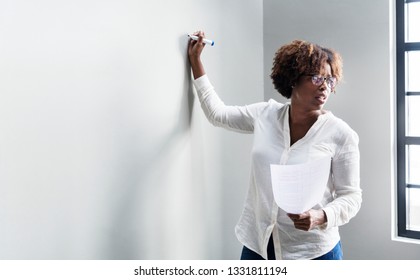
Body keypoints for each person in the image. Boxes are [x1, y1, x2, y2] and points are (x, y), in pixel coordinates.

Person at [188, 31, 362, 260]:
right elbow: (217, 115)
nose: (325, 87)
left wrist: (321, 216)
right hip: (258, 245)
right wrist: (196, 62)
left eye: (330, 80)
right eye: (317, 78)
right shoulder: (265, 114)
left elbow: (351, 197)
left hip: (312, 252)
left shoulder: (341, 134)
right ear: (293, 78)